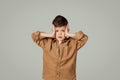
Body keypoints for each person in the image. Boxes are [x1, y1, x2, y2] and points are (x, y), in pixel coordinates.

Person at [31, 15, 88, 80]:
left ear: (67, 30)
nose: (60, 33)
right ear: (53, 30)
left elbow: (84, 38)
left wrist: (69, 34)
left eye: (63, 30)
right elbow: (34, 36)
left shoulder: (73, 44)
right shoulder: (46, 43)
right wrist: (50, 35)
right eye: (57, 31)